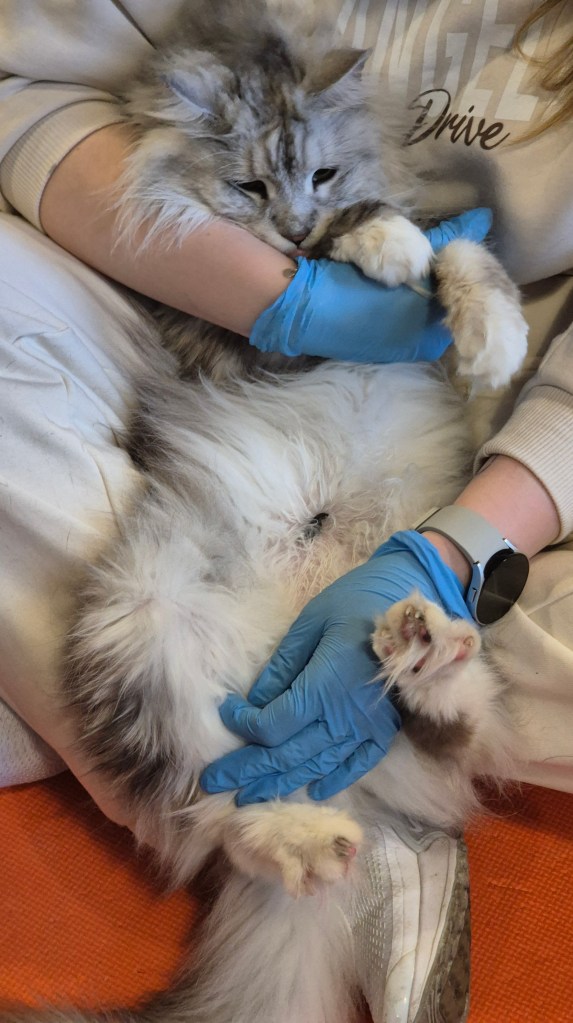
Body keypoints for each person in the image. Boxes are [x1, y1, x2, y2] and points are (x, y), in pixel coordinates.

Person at [0, 2, 572, 1020]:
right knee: (150, 607)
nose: (299, 216)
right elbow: (25, 94)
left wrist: (456, 546)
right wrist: (278, 297)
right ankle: (319, 797)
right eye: (262, 189)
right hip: (237, 464)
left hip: (499, 487)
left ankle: (320, 778)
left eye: (318, 185)